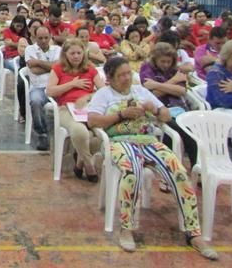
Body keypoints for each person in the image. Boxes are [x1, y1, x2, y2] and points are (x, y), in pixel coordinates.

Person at [87, 57, 217, 259]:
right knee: (132, 172)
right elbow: (93, 121)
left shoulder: (141, 92)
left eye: (128, 73)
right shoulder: (103, 95)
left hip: (148, 140)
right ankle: (126, 228)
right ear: (110, 78)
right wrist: (121, 115)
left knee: (179, 172)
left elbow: (165, 116)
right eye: (121, 75)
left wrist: (153, 109)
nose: (126, 78)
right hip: (120, 141)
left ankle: (194, 233)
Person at [46, 38, 103, 181]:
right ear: (65, 54)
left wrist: (88, 97)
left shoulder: (90, 68)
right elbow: (50, 91)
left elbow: (103, 91)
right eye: (72, 53)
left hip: (88, 109)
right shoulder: (58, 68)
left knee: (98, 136)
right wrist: (72, 84)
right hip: (66, 109)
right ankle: (90, 167)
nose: (76, 56)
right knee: (80, 131)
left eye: (79, 53)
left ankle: (79, 163)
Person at [24, 26, 61, 151]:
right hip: (39, 87)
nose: (44, 41)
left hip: (57, 86)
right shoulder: (29, 49)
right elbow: (33, 70)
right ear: (35, 38)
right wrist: (52, 66)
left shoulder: (58, 49)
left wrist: (38, 62)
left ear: (50, 37)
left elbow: (60, 67)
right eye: (40, 38)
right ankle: (42, 133)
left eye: (46, 37)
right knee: (35, 101)